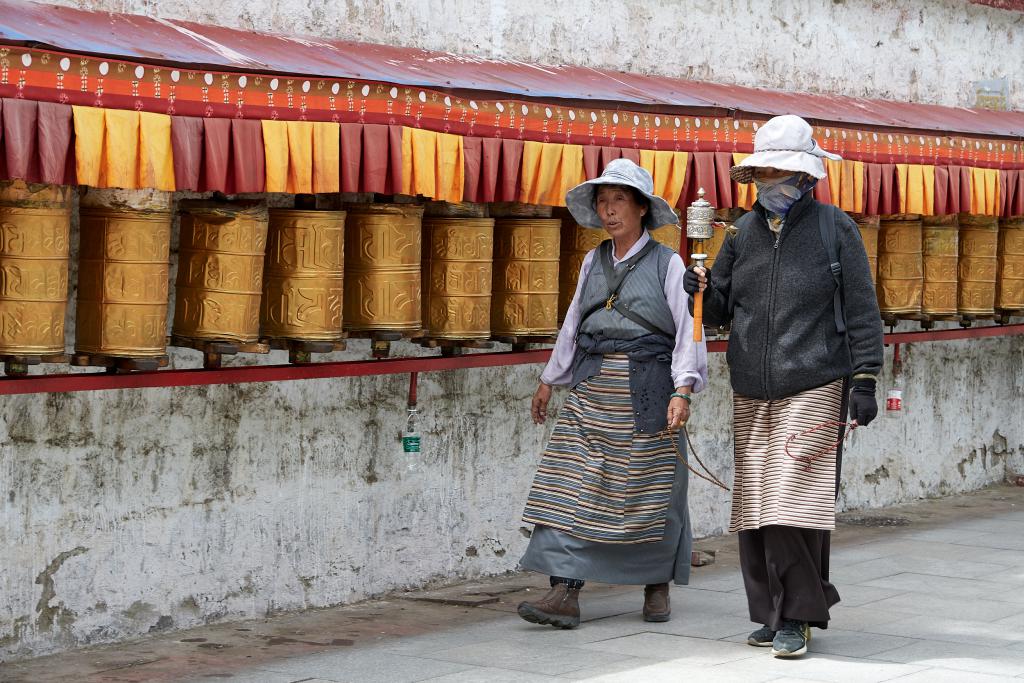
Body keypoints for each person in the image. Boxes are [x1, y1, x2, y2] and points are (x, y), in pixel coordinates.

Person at [683, 114, 883, 657]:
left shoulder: (835, 229)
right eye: (764, 170)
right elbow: (721, 309)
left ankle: (797, 614)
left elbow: (864, 310)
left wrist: (864, 379)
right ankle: (775, 611)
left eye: (779, 171)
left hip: (816, 382)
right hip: (752, 383)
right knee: (755, 504)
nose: (771, 180)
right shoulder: (740, 235)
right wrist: (697, 289)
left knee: (793, 501)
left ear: (805, 177)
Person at [516, 158, 708, 629]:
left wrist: (683, 387)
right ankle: (564, 590)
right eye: (603, 201)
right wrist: (550, 378)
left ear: (642, 208)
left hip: (647, 391)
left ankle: (656, 584)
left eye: (619, 199)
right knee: (569, 484)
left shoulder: (669, 262)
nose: (609, 210)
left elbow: (689, 330)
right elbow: (573, 323)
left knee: (648, 488)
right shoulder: (592, 259)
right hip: (592, 386)